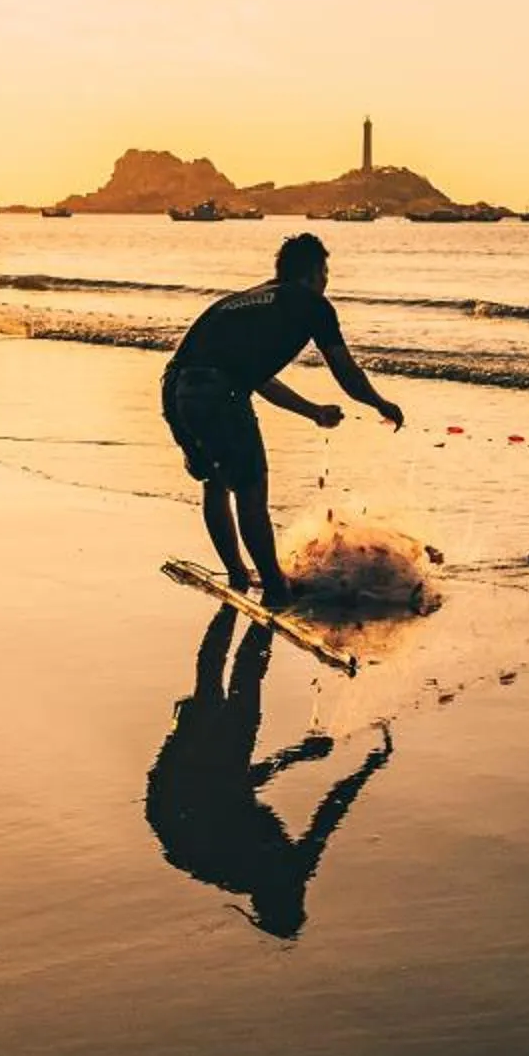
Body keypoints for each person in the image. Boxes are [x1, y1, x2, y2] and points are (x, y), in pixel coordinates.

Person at [162, 232, 403, 607]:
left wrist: (313, 412)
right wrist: (379, 403)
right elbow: (346, 372)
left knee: (214, 481)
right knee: (251, 489)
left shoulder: (242, 301)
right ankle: (275, 588)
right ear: (312, 273)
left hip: (178, 390)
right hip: (218, 394)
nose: (326, 280)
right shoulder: (312, 304)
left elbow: (253, 376)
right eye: (325, 271)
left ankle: (238, 573)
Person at [145, 606, 394, 938]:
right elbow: (331, 812)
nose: (298, 887)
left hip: (173, 797)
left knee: (214, 698)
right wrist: (365, 768)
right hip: (185, 795)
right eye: (297, 894)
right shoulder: (288, 871)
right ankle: (261, 615)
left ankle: (249, 613)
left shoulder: (238, 867)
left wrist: (300, 754)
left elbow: (238, 787)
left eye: (293, 895)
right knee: (233, 699)